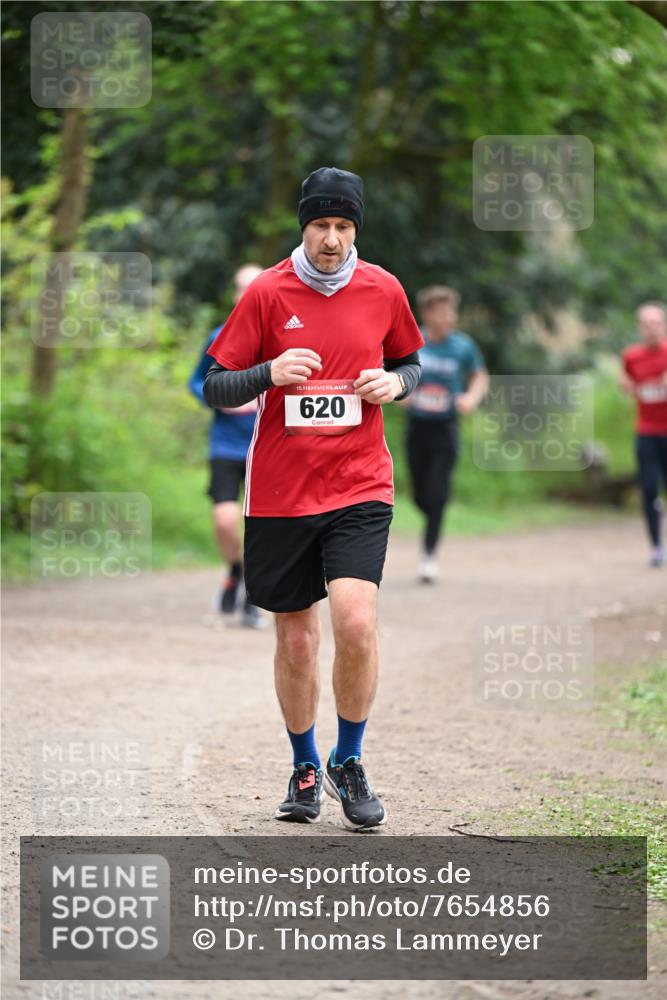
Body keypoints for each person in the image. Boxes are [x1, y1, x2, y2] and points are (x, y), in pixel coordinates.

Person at [203, 167, 423, 830]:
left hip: (359, 483)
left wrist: (396, 383)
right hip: (279, 492)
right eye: (321, 225)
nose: (331, 239)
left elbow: (412, 360)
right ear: (304, 226)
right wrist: (268, 372)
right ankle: (303, 764)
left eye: (343, 226)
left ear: (356, 228)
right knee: (297, 640)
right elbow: (216, 386)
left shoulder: (382, 288)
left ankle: (347, 760)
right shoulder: (269, 293)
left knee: (355, 621)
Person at [189, 264, 266, 628]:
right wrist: (221, 400)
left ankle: (252, 594)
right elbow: (196, 383)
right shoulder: (219, 335)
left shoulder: (280, 337)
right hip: (225, 445)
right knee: (224, 521)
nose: (246, 295)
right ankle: (236, 570)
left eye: (254, 288)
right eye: (241, 288)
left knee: (259, 526)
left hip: (267, 447)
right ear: (234, 294)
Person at [405, 286, 488, 583]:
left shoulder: (463, 346)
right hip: (417, 428)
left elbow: (479, 376)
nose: (449, 316)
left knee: (437, 494)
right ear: (427, 313)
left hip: (446, 428)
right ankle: (430, 509)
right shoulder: (413, 341)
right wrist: (402, 393)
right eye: (442, 310)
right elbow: (394, 369)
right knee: (420, 495)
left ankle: (428, 556)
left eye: (452, 310)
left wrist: (471, 398)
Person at [619, 301, 667, 567]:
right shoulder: (631, 356)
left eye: (656, 322)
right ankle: (656, 547)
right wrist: (627, 385)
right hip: (647, 432)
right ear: (639, 327)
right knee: (649, 488)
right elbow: (624, 381)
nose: (651, 328)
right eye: (646, 323)